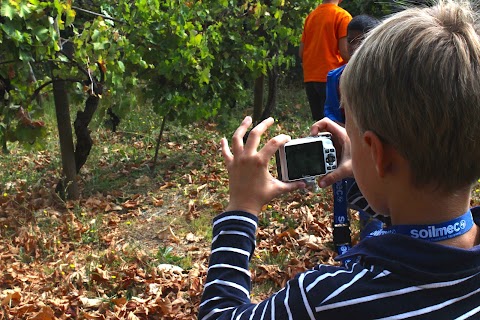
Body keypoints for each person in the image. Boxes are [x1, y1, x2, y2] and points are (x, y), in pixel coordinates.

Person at [199, 1, 480, 319]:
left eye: (349, 123)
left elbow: (218, 314)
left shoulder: (325, 299)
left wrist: (240, 210)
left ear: (376, 152)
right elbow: (419, 220)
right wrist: (364, 174)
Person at [324, 15, 384, 255]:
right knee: (341, 193)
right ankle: (342, 244)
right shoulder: (336, 77)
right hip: (344, 147)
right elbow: (329, 114)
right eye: (351, 41)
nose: (356, 46)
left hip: (372, 149)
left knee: (372, 197)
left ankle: (373, 243)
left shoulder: (381, 77)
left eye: (362, 40)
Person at [299, 0, 351, 121]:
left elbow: (301, 51)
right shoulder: (342, 16)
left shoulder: (311, 16)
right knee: (336, 124)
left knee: (320, 124)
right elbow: (345, 52)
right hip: (332, 79)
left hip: (310, 78)